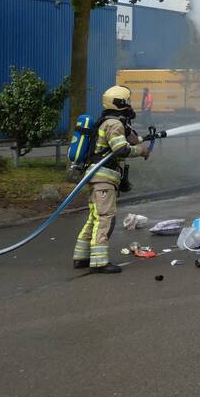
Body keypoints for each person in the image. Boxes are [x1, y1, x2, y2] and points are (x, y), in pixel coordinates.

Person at [72, 85, 150, 274]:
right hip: (103, 179)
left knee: (94, 218)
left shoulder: (107, 121)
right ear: (120, 103)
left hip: (96, 178)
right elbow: (120, 149)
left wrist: (140, 139)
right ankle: (99, 262)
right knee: (105, 218)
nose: (130, 105)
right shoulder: (114, 124)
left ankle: (81, 257)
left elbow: (127, 138)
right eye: (128, 101)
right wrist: (140, 151)